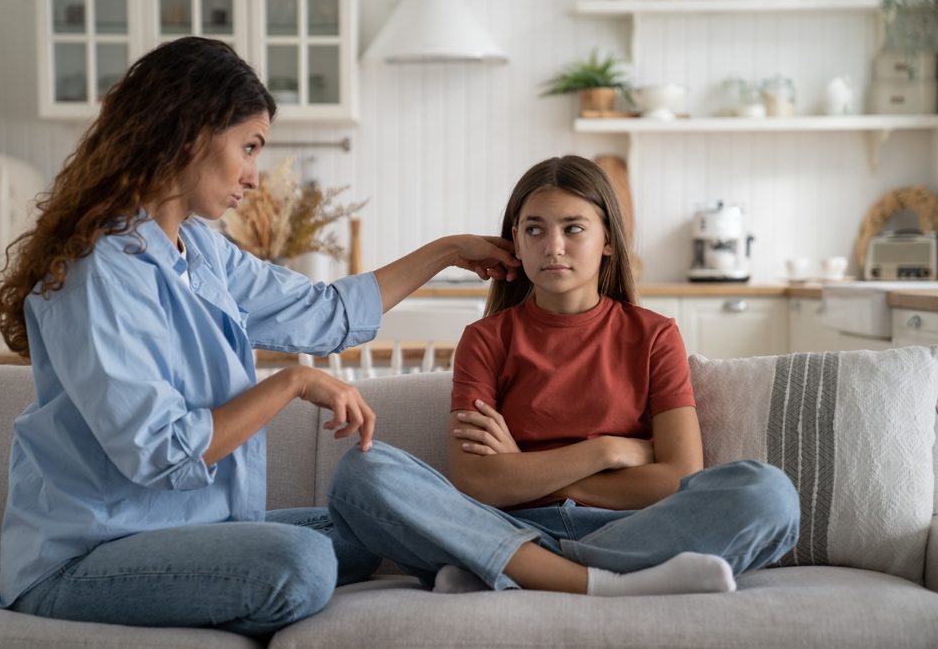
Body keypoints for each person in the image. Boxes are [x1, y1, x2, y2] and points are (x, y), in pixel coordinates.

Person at [0, 36, 519, 636]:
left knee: (362, 527)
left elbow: (323, 314)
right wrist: (291, 382)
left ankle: (528, 558)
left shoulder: (201, 249)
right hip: (87, 555)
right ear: (190, 133)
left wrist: (449, 250)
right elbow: (161, 450)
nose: (253, 177)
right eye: (249, 147)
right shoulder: (97, 272)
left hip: (191, 532)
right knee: (303, 562)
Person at [327, 155, 801, 597]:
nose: (552, 247)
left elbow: (676, 476)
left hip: (625, 529)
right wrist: (606, 451)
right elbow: (477, 483)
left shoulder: (655, 335)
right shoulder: (486, 339)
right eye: (534, 230)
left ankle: (514, 570)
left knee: (768, 493)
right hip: (507, 525)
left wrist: (532, 473)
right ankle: (607, 582)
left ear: (608, 240)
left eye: (573, 228)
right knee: (363, 472)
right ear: (516, 241)